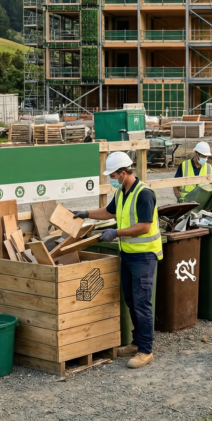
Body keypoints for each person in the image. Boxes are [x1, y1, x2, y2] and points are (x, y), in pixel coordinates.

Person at [72, 151, 160, 368]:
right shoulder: (122, 192)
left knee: (142, 303)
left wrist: (116, 233)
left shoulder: (144, 194)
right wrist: (86, 213)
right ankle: (136, 343)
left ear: (123, 172)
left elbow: (144, 226)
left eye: (113, 175)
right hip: (128, 254)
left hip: (144, 256)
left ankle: (146, 351)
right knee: (132, 301)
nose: (112, 179)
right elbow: (108, 211)